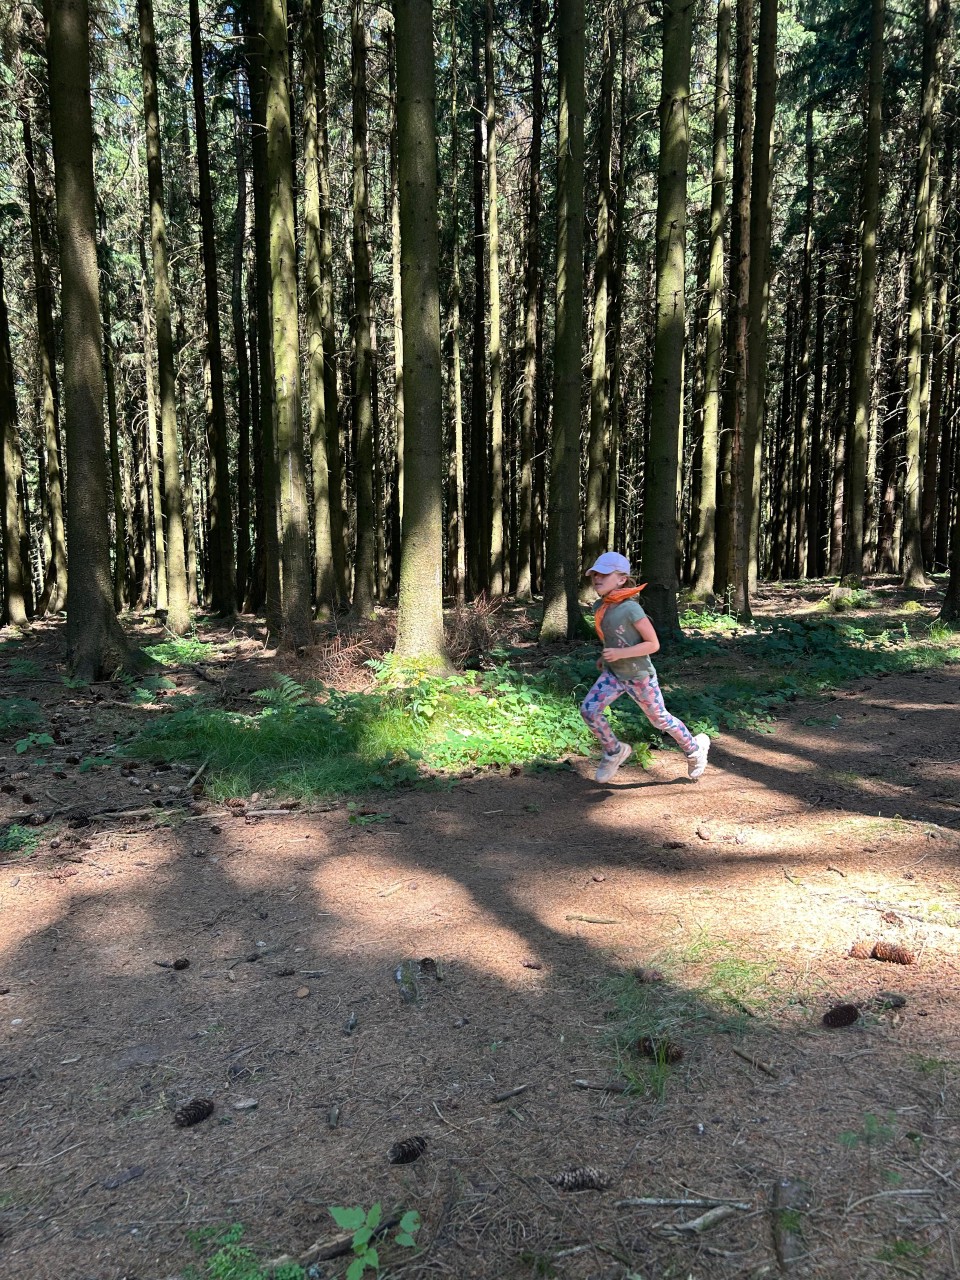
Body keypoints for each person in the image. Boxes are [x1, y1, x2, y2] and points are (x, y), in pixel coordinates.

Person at [580, 551, 710, 783]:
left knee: (660, 719)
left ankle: (694, 750)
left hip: (639, 676)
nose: (597, 578)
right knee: (589, 710)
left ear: (622, 579)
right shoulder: (601, 605)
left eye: (604, 574)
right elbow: (616, 638)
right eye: (595, 574)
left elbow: (653, 644)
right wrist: (606, 656)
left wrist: (620, 653)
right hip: (614, 674)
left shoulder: (631, 609)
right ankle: (614, 751)